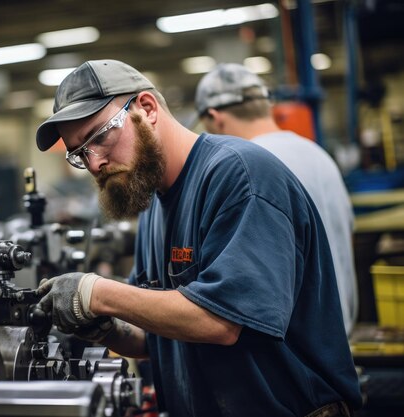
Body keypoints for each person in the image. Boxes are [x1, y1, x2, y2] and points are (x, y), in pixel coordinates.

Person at [34, 59, 362, 416]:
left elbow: (222, 323)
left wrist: (97, 293)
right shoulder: (153, 208)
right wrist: (107, 329)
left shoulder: (241, 175)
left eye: (99, 136)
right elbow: (160, 335)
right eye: (81, 153)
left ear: (146, 108)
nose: (95, 162)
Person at [195, 63, 358, 336]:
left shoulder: (247, 169)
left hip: (297, 351)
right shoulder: (318, 155)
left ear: (215, 118)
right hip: (339, 338)